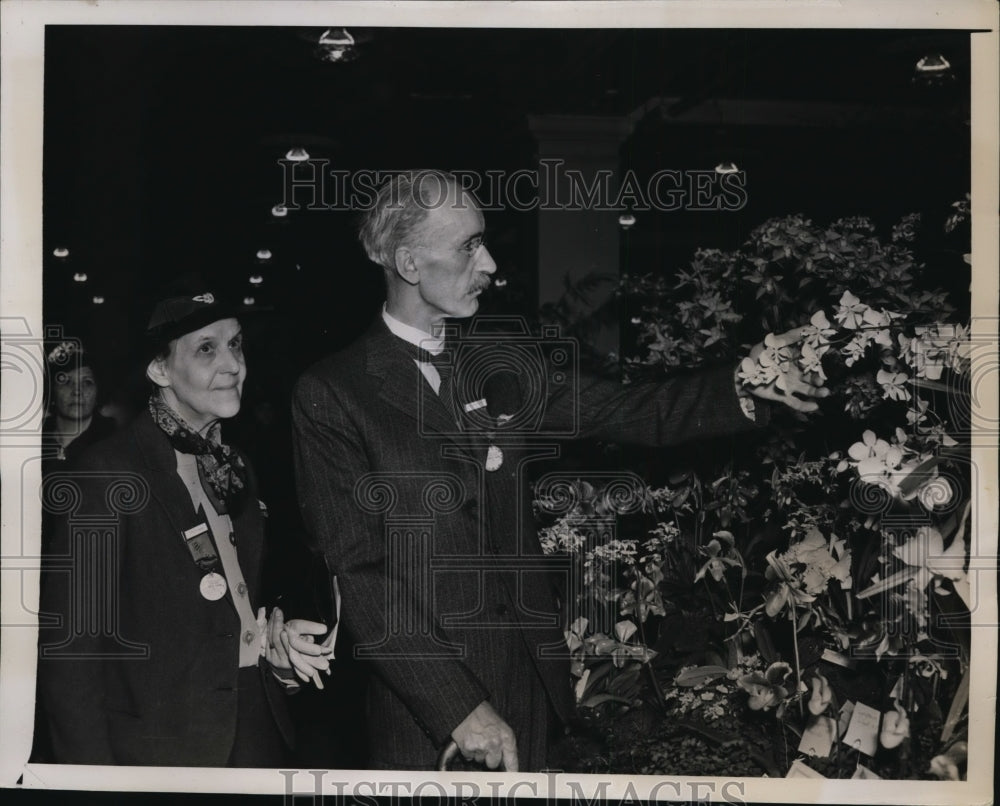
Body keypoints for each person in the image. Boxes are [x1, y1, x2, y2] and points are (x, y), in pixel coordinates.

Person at [291, 170, 828, 771]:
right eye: (469, 246)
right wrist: (459, 708)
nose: (490, 263)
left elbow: (628, 410)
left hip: (532, 694)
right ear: (409, 262)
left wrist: (746, 382)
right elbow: (361, 578)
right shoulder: (333, 394)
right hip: (428, 718)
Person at [38, 291, 334, 766]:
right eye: (206, 349)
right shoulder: (106, 476)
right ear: (160, 370)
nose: (232, 365)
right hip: (159, 750)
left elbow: (235, 609)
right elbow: (71, 659)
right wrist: (93, 783)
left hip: (256, 728)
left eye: (235, 344)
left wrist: (273, 647)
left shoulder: (237, 465)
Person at [41, 343, 117, 479]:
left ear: (99, 392)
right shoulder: (33, 439)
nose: (77, 391)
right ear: (51, 391)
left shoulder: (115, 441)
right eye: (65, 381)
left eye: (87, 382)